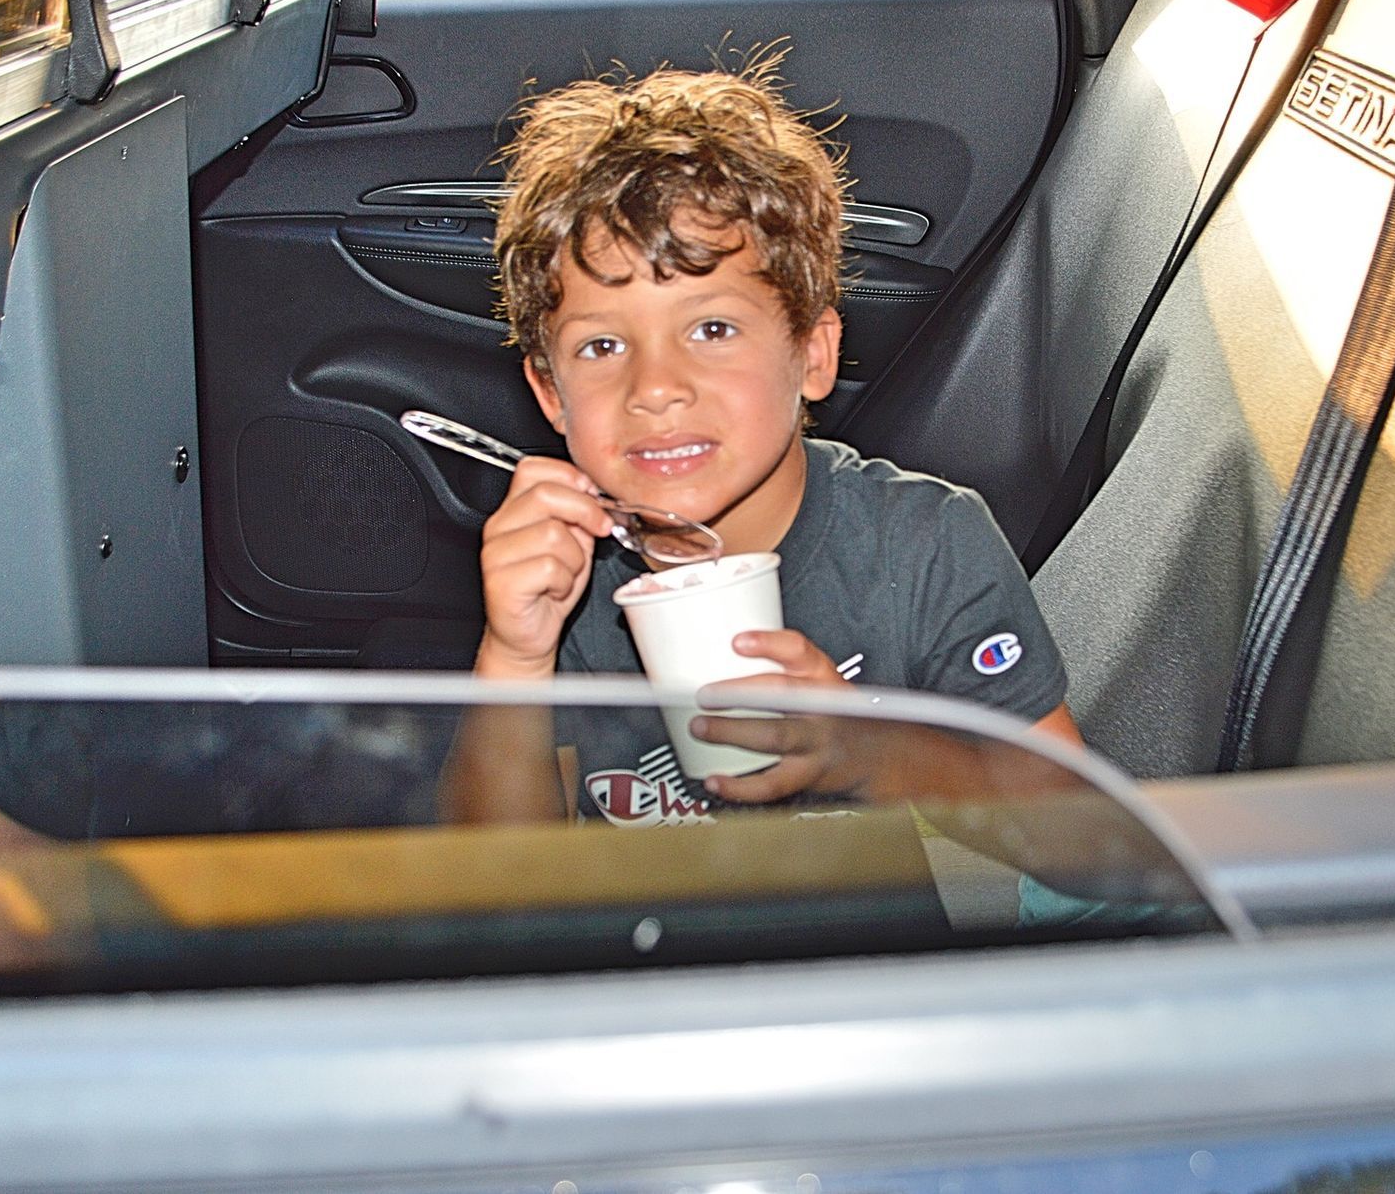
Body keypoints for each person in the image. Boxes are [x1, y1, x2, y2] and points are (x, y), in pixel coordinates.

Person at [447, 58, 1082, 829]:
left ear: (813, 356)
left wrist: (868, 753)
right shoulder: (571, 579)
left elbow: (1078, 837)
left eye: (712, 329)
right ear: (550, 394)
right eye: (602, 347)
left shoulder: (926, 549)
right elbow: (498, 881)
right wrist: (514, 658)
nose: (655, 387)